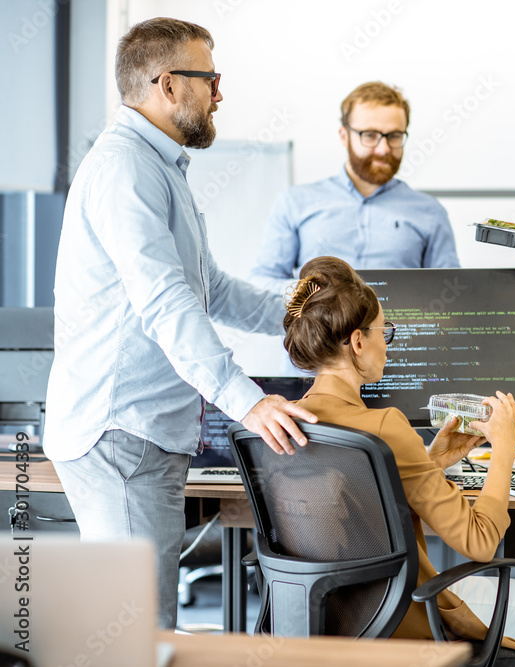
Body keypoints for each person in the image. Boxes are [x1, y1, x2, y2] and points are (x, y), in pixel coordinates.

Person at [44, 17, 317, 629]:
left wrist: (308, 317)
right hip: (120, 430)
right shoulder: (126, 170)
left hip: (142, 432)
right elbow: (165, 301)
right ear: (168, 84)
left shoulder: (159, 166)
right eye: (211, 79)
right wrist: (249, 404)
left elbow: (208, 288)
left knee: (143, 627)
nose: (220, 93)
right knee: (137, 632)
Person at [281, 256, 515, 666]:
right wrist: (505, 447)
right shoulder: (384, 425)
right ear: (359, 342)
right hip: (396, 618)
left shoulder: (283, 422)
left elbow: (353, 510)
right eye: (387, 332)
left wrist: (430, 461)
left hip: (317, 623)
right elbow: (480, 542)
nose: (388, 342)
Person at [250, 81, 460, 293]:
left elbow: (451, 293)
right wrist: (319, 294)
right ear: (344, 136)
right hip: (319, 326)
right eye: (370, 135)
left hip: (396, 327)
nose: (383, 148)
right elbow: (262, 283)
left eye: (394, 136)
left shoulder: (431, 211)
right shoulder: (295, 202)